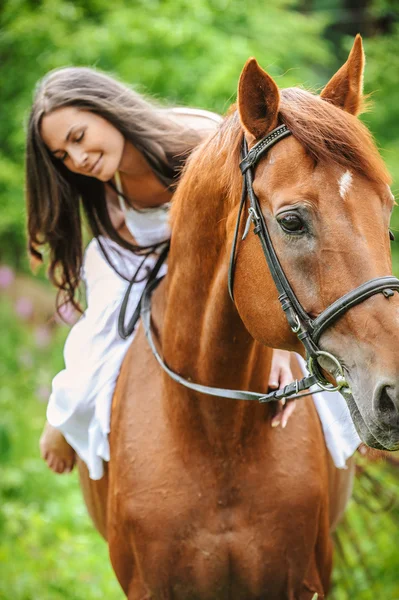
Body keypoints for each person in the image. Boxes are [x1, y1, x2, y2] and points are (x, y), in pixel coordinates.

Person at [26, 66, 300, 481]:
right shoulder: (101, 186)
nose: (77, 159)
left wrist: (276, 346)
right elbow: (128, 250)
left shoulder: (197, 139)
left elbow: (259, 240)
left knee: (302, 332)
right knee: (97, 338)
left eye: (78, 137)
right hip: (133, 258)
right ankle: (67, 413)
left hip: (224, 252)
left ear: (108, 110)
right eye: (63, 155)